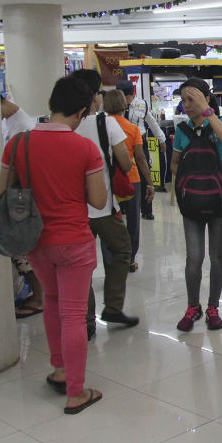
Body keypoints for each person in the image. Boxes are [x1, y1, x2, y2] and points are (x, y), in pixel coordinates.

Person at [0, 77, 107, 414]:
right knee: (74, 314)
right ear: (81, 111)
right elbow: (100, 201)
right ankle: (76, 392)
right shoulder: (85, 148)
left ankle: (60, 370)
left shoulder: (17, 144)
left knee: (53, 304)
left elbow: (2, 192)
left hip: (35, 241)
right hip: (74, 241)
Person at [71, 70, 139, 337]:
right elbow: (125, 161)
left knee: (81, 265)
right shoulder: (106, 123)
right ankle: (112, 306)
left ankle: (86, 321)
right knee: (121, 250)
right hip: (104, 206)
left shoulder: (66, 126)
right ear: (94, 96)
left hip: (75, 210)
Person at [171, 77, 222, 332]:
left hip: (220, 199)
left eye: (192, 98)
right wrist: (183, 184)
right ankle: (192, 305)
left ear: (206, 99)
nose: (186, 104)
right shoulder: (182, 131)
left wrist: (207, 112)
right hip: (192, 201)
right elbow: (174, 163)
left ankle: (213, 307)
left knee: (217, 256)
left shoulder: (221, 121)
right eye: (183, 100)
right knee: (193, 257)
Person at [0, 95, 43, 318]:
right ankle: (37, 295)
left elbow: (18, 168)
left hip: (22, 198)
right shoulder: (9, 122)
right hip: (19, 197)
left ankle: (39, 297)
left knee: (25, 252)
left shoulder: (23, 126)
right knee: (21, 252)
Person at [103, 90, 155, 272]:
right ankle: (130, 258)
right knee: (133, 220)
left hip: (106, 180)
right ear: (124, 106)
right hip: (131, 178)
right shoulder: (133, 129)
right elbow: (140, 158)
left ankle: (110, 260)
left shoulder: (101, 126)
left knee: (108, 221)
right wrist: (149, 182)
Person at [117, 80, 166, 221]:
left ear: (131, 95)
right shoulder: (115, 105)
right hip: (121, 143)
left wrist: (161, 139)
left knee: (144, 174)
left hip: (139, 142)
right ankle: (124, 205)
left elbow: (152, 122)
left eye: (126, 98)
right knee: (123, 174)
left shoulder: (141, 104)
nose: (124, 101)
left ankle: (146, 209)